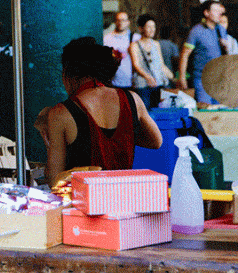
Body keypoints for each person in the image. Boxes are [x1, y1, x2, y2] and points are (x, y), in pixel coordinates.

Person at [35, 37, 162, 187]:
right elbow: (156, 141)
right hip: (125, 200)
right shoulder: (132, 99)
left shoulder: (60, 113)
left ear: (68, 73)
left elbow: (55, 181)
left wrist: (50, 139)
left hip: (82, 205)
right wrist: (123, 135)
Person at [178, 0, 228, 104]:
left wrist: (226, 46)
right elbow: (185, 54)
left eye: (220, 10)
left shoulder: (221, 30)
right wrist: (182, 77)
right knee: (206, 111)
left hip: (219, 79)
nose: (219, 13)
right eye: (216, 10)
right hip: (201, 80)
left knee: (219, 112)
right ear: (206, 13)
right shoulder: (196, 31)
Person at [129, 13, 174, 109]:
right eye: (148, 27)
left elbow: (161, 64)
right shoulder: (134, 45)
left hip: (157, 83)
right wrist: (147, 77)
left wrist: (172, 76)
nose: (152, 29)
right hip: (142, 85)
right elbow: (136, 65)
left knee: (157, 110)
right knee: (144, 111)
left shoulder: (156, 44)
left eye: (153, 26)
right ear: (141, 28)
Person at [102, 10, 132, 88]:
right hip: (113, 82)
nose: (120, 22)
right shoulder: (107, 38)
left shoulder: (135, 38)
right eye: (118, 20)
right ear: (115, 22)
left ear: (128, 22)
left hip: (132, 83)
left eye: (123, 20)